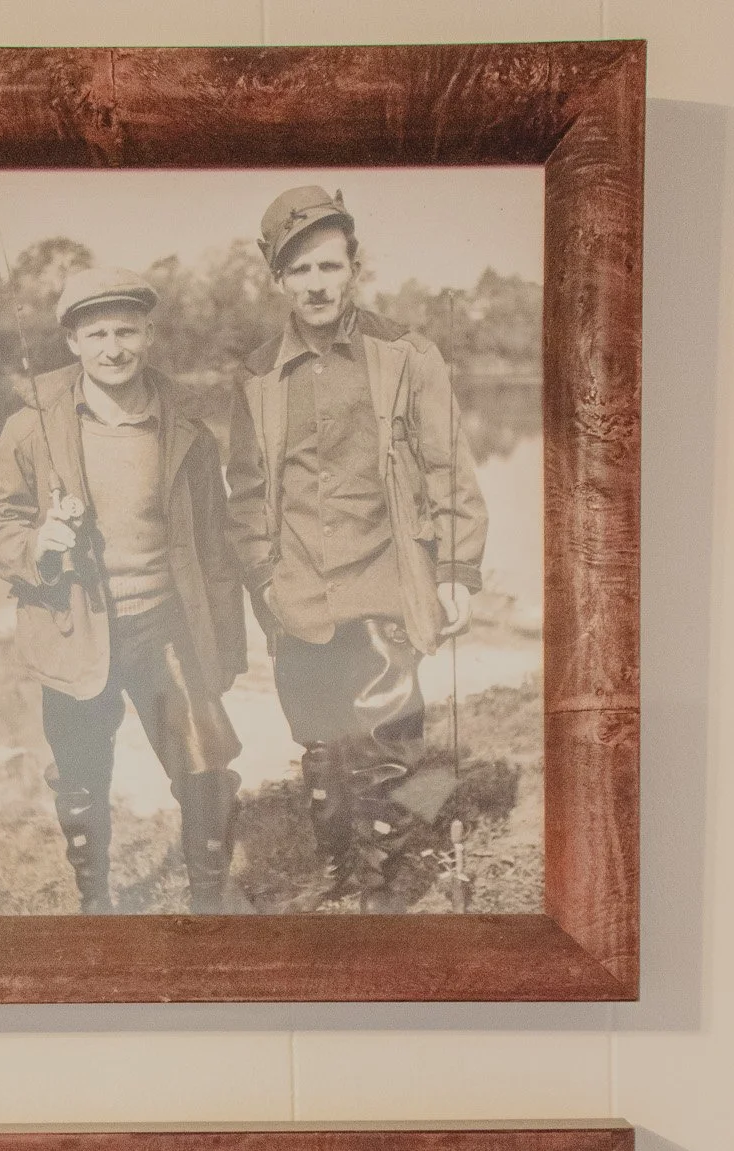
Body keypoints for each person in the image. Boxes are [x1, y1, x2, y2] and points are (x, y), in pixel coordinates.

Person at [226, 187, 489, 909]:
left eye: (327, 266)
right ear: (277, 279)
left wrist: (456, 569)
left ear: (352, 266)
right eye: (298, 270)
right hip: (299, 588)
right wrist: (264, 583)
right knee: (320, 744)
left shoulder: (405, 354)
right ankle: (344, 863)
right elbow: (244, 494)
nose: (315, 284)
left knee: (384, 738)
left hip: (383, 574)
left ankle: (387, 875)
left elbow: (447, 467)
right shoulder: (253, 377)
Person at [0, 268, 247, 912]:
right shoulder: (30, 428)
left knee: (205, 772)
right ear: (72, 341)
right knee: (80, 780)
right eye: (96, 333)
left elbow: (216, 551)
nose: (114, 347)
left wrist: (225, 649)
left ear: (148, 335)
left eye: (126, 330)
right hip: (74, 632)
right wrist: (37, 544)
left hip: (168, 627)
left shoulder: (188, 431)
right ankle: (95, 902)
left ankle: (210, 907)